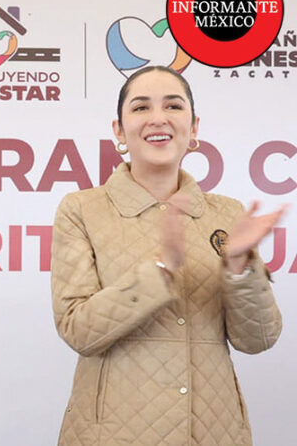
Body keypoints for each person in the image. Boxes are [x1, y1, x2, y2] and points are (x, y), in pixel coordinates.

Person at [51, 65, 284, 445]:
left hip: (214, 432)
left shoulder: (227, 215)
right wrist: (161, 270)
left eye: (173, 106)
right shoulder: (81, 210)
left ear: (193, 128)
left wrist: (240, 267)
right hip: (112, 434)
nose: (158, 118)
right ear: (119, 130)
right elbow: (79, 330)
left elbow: (257, 339)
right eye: (141, 107)